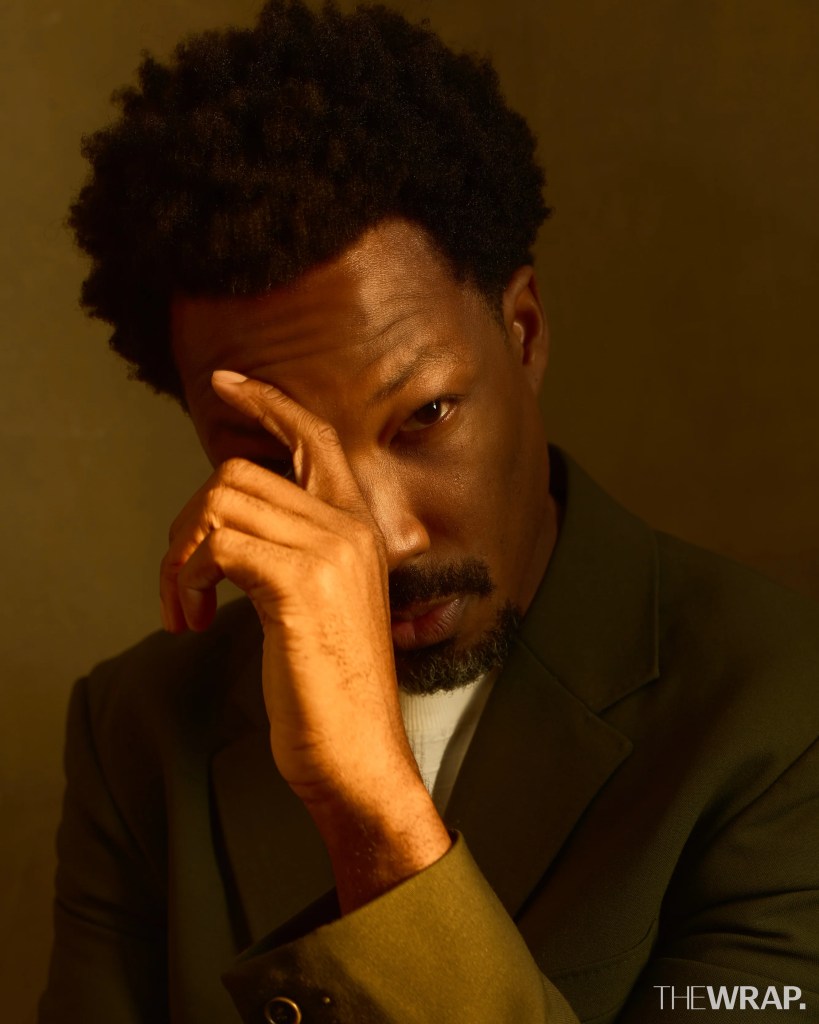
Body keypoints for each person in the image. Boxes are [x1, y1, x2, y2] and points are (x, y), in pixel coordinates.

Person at [40, 1, 819, 1022]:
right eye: (272, 456)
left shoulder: (781, 707)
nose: (382, 539)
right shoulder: (139, 729)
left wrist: (367, 807)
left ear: (524, 332)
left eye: (425, 416)